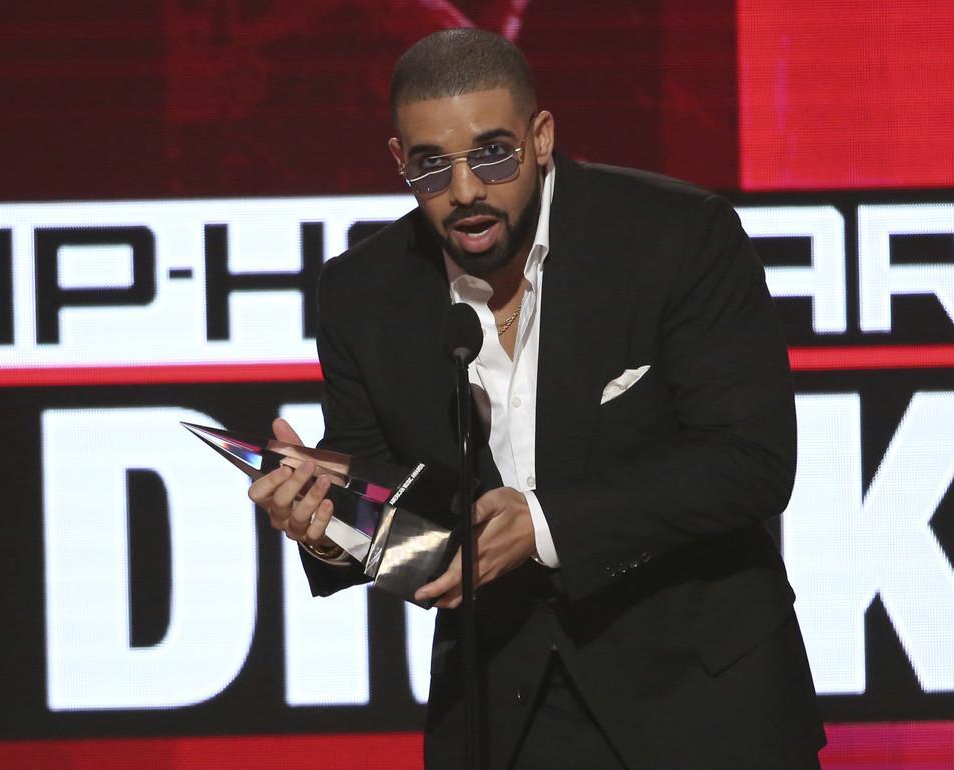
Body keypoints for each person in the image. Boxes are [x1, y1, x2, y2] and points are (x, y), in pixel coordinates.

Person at [248, 28, 825, 770]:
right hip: (503, 721)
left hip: (704, 708)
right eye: (430, 166)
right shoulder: (363, 293)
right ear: (399, 162)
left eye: (493, 154)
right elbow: (420, 532)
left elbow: (750, 462)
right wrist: (329, 527)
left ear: (541, 137)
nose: (464, 192)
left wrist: (546, 524)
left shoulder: (676, 238)